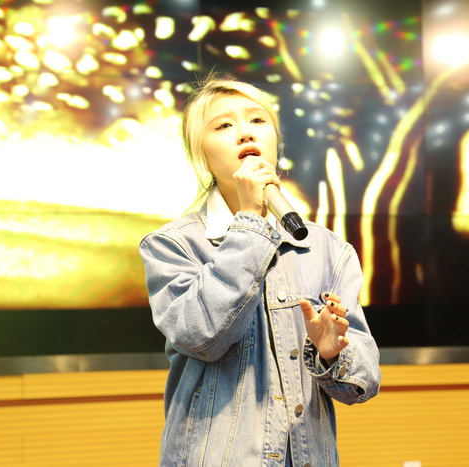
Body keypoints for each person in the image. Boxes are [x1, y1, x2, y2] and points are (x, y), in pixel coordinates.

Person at [139, 75, 381, 466]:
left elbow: (363, 385)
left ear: (275, 141)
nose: (245, 132)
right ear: (201, 154)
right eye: (223, 125)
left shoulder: (327, 249)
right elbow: (201, 337)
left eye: (257, 120)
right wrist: (251, 221)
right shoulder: (172, 245)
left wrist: (331, 354)